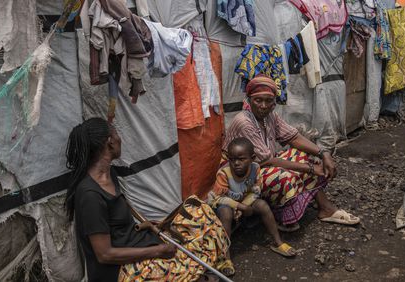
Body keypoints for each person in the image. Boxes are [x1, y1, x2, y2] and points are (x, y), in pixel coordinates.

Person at [65, 118, 229, 282]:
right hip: (119, 270)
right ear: (110, 143)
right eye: (116, 133)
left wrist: (145, 224)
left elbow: (117, 221)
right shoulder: (89, 195)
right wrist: (158, 251)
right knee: (187, 269)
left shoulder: (109, 174)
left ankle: (203, 273)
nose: (119, 138)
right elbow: (104, 254)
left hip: (138, 244)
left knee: (202, 215)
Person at [222, 75, 360, 231]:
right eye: (258, 100)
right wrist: (311, 169)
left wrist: (324, 154)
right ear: (249, 100)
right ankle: (283, 217)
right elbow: (268, 161)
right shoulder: (244, 122)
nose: (263, 105)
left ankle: (325, 208)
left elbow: (293, 137)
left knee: (303, 156)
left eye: (268, 101)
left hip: (259, 168)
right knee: (286, 177)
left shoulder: (270, 117)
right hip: (238, 178)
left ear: (274, 103)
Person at [207, 137, 296, 276]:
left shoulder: (255, 168)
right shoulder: (224, 174)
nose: (236, 163)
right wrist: (240, 207)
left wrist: (245, 205)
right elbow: (218, 199)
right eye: (232, 159)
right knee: (226, 213)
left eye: (241, 159)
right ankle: (225, 258)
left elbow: (256, 190)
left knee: (262, 205)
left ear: (252, 158)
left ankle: (278, 243)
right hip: (224, 205)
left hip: (245, 202)